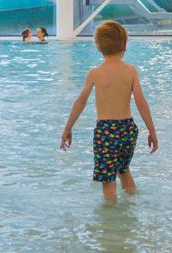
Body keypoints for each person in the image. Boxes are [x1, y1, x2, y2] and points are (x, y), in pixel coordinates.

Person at [60, 21, 158, 204]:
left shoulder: (95, 73)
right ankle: (133, 202)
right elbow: (141, 102)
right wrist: (152, 131)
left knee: (108, 180)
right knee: (123, 170)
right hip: (128, 129)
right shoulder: (131, 71)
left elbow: (81, 101)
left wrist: (68, 128)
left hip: (106, 131)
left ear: (98, 47)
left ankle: (111, 223)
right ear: (125, 45)